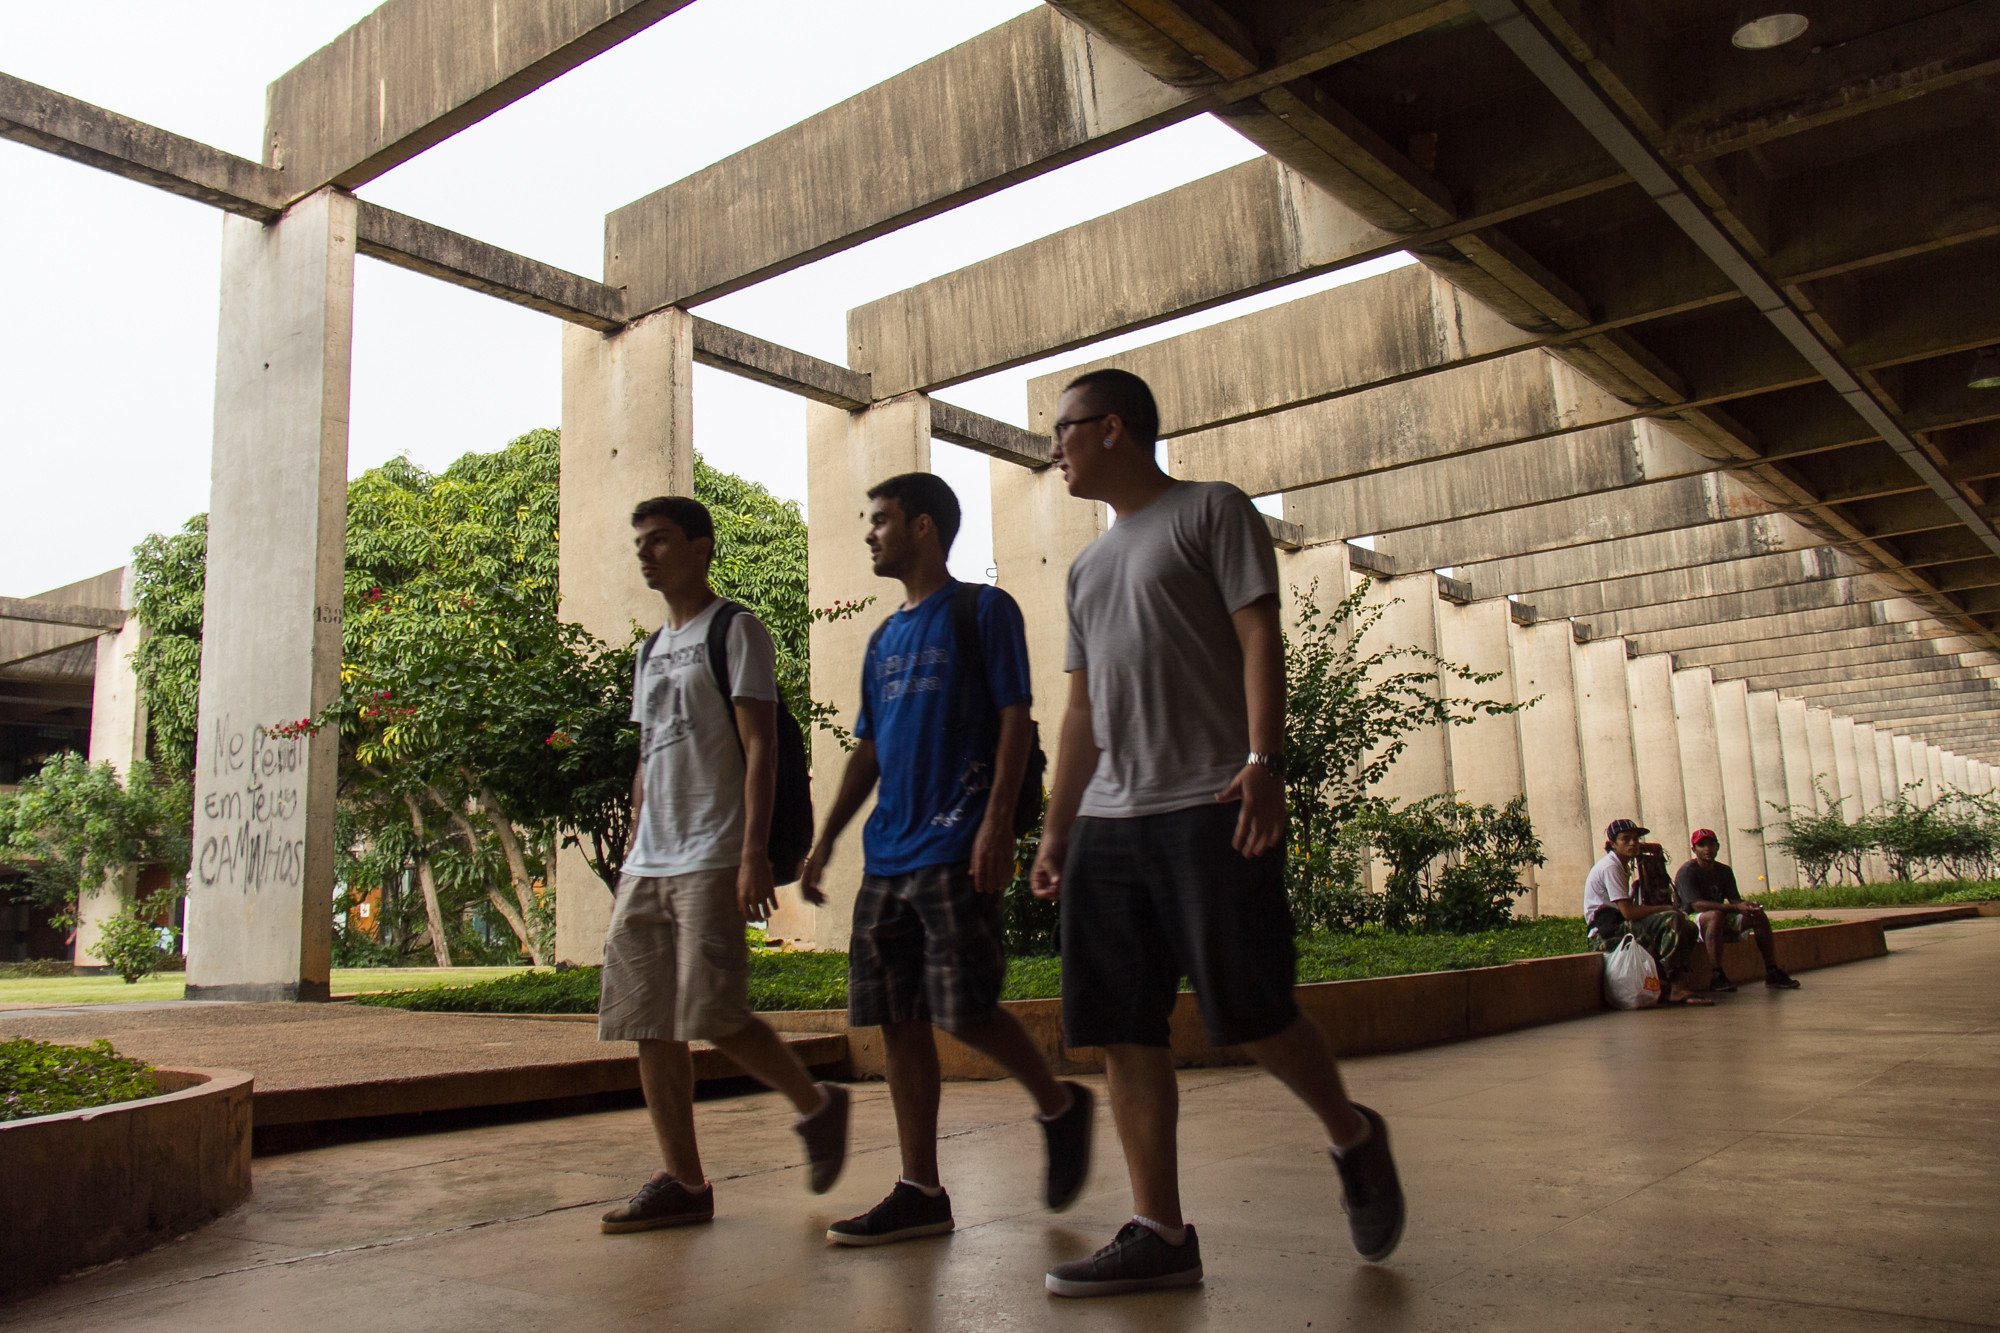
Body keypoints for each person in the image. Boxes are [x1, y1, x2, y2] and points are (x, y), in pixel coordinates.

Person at [1029, 368, 1404, 1299]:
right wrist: (1056, 829)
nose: (1055, 449)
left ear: (1113, 428)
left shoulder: (1212, 511)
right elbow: (1081, 712)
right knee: (1121, 1026)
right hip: (1111, 821)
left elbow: (1257, 638)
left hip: (1209, 802)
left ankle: (1353, 1133)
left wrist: (1265, 760)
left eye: (1063, 430)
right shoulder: (1085, 567)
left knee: (1252, 1008)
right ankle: (1161, 1230)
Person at [802, 472, 1094, 1247]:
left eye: (882, 520)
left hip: (956, 838)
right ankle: (920, 1188)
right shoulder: (881, 638)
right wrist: (828, 836)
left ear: (924, 527)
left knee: (961, 1006)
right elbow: (869, 747)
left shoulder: (983, 610)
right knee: (897, 1017)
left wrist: (998, 821)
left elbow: (1014, 716)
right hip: (888, 853)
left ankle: (1059, 1105)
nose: (870, 534)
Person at [597, 496, 849, 1234]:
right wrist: (633, 846)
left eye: (662, 540)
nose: (647, 553)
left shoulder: (737, 630)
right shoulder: (649, 651)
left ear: (701, 547)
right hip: (650, 861)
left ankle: (817, 1103)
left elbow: (763, 745)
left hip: (711, 852)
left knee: (713, 1010)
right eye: (639, 541)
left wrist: (752, 851)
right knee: (648, 1016)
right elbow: (648, 756)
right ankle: (683, 1178)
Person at [1584, 818, 1712, 1005]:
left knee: (1690, 927)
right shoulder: (1611, 866)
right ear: (1612, 844)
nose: (1633, 843)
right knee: (1672, 919)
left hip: (1618, 924)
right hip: (1605, 933)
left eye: (1636, 839)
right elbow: (1628, 913)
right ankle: (1675, 987)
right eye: (1625, 839)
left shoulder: (1621, 864)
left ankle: (1670, 983)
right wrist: (1666, 908)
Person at [1674, 829, 1800, 991]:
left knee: (1757, 916)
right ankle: (1717, 974)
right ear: (1694, 849)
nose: (1707, 849)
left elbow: (1735, 900)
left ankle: (1772, 971)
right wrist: (1734, 907)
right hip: (1689, 920)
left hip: (1718, 917)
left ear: (1717, 846)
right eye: (1702, 845)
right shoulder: (1687, 872)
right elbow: (1696, 905)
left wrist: (1748, 906)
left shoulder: (1724, 871)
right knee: (1715, 916)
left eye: (1711, 844)